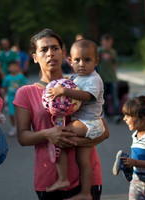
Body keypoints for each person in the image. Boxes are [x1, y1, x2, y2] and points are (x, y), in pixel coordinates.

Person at [13, 28, 109, 200]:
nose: (50, 53)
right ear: (34, 57)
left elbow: (104, 131)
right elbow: (23, 137)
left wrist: (70, 141)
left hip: (86, 179)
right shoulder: (25, 93)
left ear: (64, 53)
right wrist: (48, 134)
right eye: (44, 49)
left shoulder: (80, 84)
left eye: (55, 48)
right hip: (49, 180)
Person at [45, 39, 105, 199]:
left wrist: (63, 91)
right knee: (83, 161)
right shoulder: (76, 78)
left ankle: (63, 178)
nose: (82, 64)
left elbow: (86, 96)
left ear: (96, 61)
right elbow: (68, 84)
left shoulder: (94, 79)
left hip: (90, 122)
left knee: (61, 135)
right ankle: (85, 193)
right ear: (70, 61)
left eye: (87, 60)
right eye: (77, 60)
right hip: (86, 122)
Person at [97, 34, 119, 119]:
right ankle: (107, 114)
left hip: (112, 78)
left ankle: (116, 114)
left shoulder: (113, 52)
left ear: (111, 43)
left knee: (114, 97)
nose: (106, 44)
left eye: (108, 43)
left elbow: (114, 64)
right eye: (105, 42)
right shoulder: (99, 51)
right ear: (102, 42)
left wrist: (115, 75)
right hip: (102, 78)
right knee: (104, 97)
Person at [2, 61, 27, 136]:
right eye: (11, 67)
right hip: (10, 98)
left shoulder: (21, 76)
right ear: (8, 68)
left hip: (20, 98)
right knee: (11, 113)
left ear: (18, 67)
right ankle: (13, 127)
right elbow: (4, 88)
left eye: (15, 66)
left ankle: (22, 127)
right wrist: (4, 98)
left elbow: (26, 86)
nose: (13, 68)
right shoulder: (7, 78)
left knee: (21, 113)